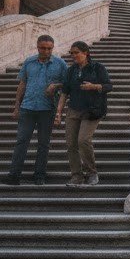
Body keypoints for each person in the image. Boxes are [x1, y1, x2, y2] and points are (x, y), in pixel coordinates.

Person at [1, 35, 69, 186]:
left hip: (47, 109)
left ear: (53, 47)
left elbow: (68, 85)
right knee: (21, 142)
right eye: (43, 48)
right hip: (27, 108)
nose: (46, 51)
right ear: (37, 47)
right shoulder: (29, 62)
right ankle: (14, 176)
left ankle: (39, 176)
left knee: (43, 144)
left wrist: (55, 86)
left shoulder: (60, 64)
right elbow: (22, 84)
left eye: (49, 48)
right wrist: (16, 107)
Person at [52, 41, 113, 187]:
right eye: (72, 53)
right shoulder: (71, 70)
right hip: (74, 109)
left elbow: (109, 86)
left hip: (92, 110)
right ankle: (76, 176)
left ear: (85, 53)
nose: (73, 55)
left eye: (76, 52)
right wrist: (58, 113)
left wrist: (94, 86)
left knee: (83, 140)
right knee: (71, 144)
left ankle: (92, 172)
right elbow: (65, 92)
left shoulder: (97, 68)